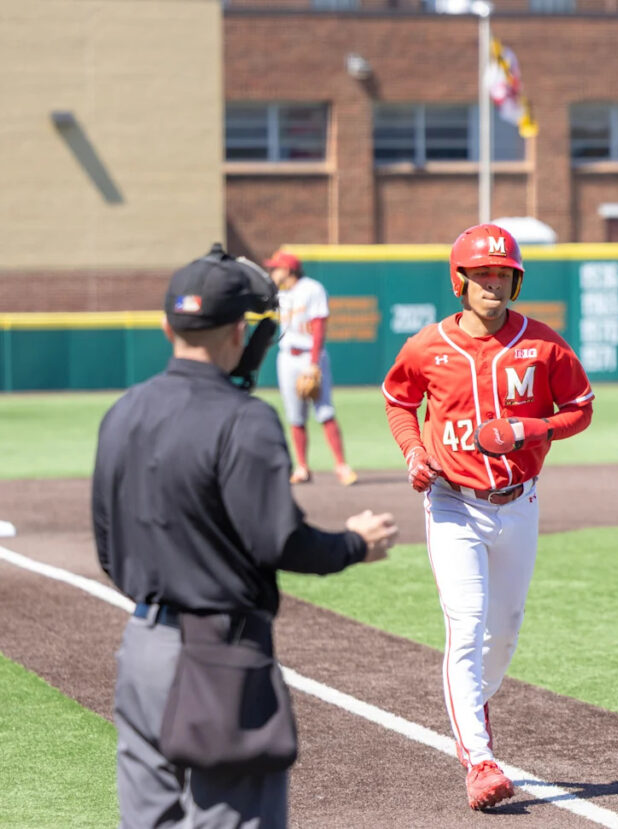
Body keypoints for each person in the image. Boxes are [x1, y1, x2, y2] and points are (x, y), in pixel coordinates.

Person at [92, 243, 398, 828]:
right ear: (242, 330)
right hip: (221, 654)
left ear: (166, 325)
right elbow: (279, 541)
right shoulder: (244, 418)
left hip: (142, 647)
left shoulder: (123, 411)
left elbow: (108, 548)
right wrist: (354, 544)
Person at [381, 223, 594, 811]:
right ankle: (478, 759)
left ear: (516, 280)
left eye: (503, 274)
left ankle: (470, 704)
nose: (493, 284)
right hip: (451, 502)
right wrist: (415, 453)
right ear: (460, 281)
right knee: (467, 623)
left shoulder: (544, 344)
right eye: (481, 275)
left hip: (519, 502)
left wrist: (534, 428)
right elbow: (400, 401)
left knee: (504, 634)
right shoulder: (427, 346)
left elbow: (580, 409)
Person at [264, 249, 358, 486]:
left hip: (309, 356)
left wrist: (313, 363)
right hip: (287, 357)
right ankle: (302, 468)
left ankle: (341, 466)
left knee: (325, 411)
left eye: (276, 267)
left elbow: (318, 327)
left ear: (288, 269)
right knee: (295, 416)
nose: (273, 271)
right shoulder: (280, 293)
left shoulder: (311, 288)